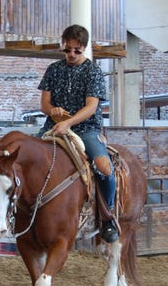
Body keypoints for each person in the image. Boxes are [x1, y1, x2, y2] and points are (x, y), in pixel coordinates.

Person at [37, 24, 119, 243]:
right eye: (67, 49)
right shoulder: (53, 69)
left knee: (104, 167)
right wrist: (52, 111)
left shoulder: (93, 72)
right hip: (53, 125)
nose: (71, 54)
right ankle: (26, 210)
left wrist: (69, 123)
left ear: (84, 48)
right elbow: (44, 103)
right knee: (27, 158)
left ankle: (107, 217)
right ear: (63, 46)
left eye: (76, 50)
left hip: (86, 128)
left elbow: (91, 107)